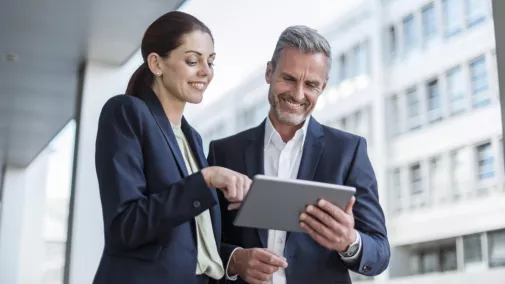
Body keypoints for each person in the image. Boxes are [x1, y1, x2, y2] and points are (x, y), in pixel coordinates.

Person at [207, 25, 390, 284]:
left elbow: (380, 253)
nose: (297, 94)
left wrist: (349, 242)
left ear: (323, 86)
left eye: (311, 84)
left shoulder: (348, 151)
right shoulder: (223, 152)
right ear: (269, 72)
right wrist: (235, 259)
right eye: (289, 79)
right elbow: (201, 241)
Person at [93, 11, 251, 284]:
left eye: (210, 61)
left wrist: (235, 258)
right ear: (156, 63)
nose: (205, 71)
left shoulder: (193, 138)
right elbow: (125, 226)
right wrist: (205, 180)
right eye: (192, 60)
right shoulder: (126, 112)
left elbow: (192, 245)